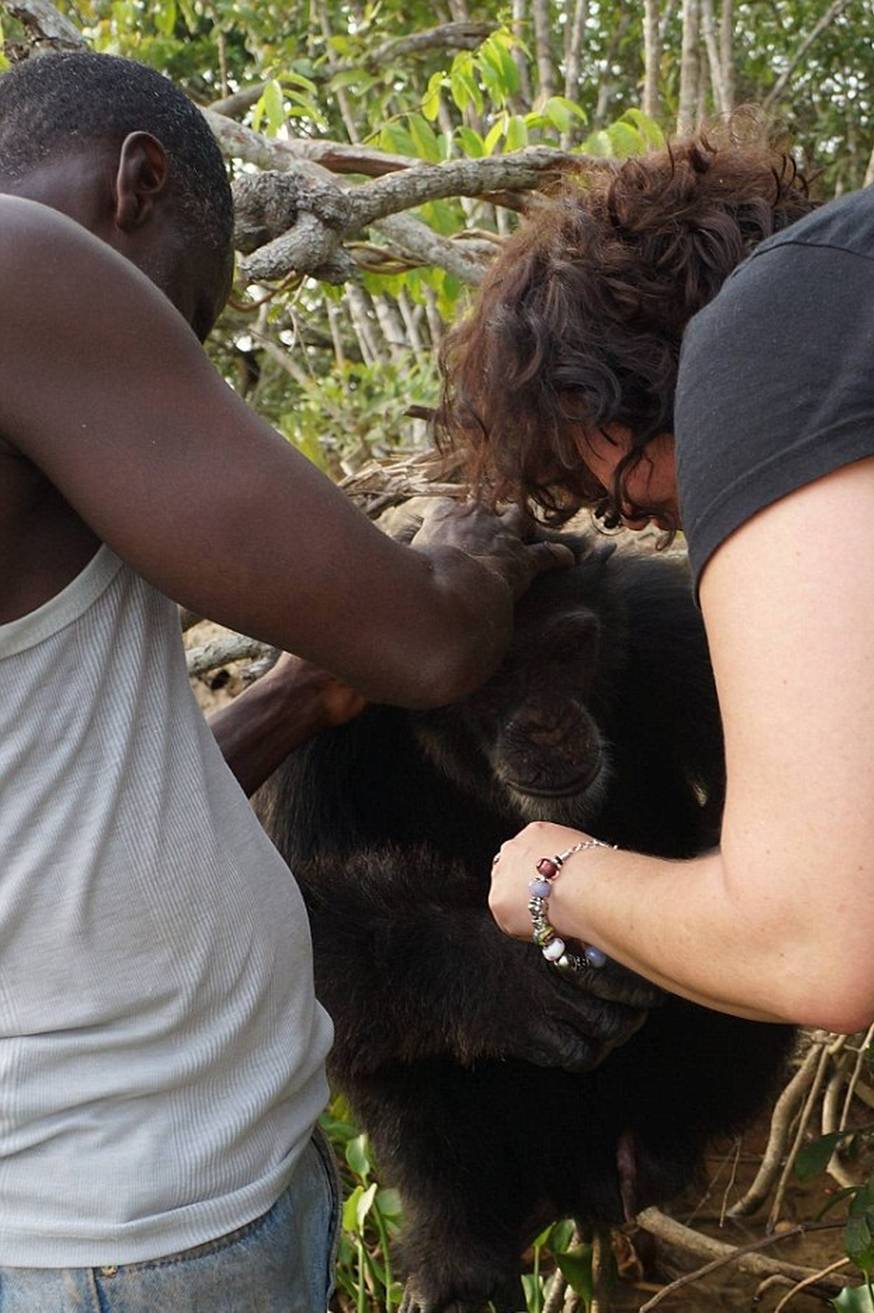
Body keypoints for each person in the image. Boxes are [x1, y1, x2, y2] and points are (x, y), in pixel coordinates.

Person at [0, 50, 571, 1311]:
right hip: (136, 1232)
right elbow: (427, 641)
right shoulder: (23, 266)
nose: (170, 371)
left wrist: (296, 697)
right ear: (136, 185)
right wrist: (465, 560)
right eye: (186, 320)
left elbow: (51, 822)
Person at [439, 128, 874, 1036]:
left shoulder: (762, 337)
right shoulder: (859, 276)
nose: (622, 510)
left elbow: (815, 947)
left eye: (592, 469)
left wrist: (555, 878)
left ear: (585, 384)